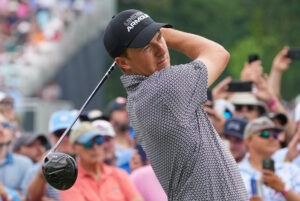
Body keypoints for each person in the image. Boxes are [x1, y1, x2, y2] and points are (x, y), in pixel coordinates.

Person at [103, 9, 248, 200]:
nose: (161, 50)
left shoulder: (136, 99)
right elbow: (218, 53)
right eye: (146, 47)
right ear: (123, 63)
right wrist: (163, 34)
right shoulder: (163, 87)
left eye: (160, 37)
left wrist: (146, 32)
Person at [60, 122, 143, 201]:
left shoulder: (119, 174)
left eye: (98, 141)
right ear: (74, 148)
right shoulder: (69, 182)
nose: (95, 147)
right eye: (88, 143)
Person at [239, 116, 300, 201]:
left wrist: (284, 189)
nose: (272, 138)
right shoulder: (235, 173)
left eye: (275, 135)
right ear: (248, 140)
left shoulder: (291, 169)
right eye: (265, 134)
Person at [24, 110, 78, 201]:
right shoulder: (36, 169)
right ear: (51, 136)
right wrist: (42, 172)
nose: (64, 138)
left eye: (69, 133)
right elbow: (30, 198)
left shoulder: (87, 162)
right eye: (59, 134)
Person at [0, 113, 32, 200]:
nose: (1, 129)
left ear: (11, 131)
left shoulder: (25, 163)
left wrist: (6, 193)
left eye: (4, 125)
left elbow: (28, 197)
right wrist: (14, 193)